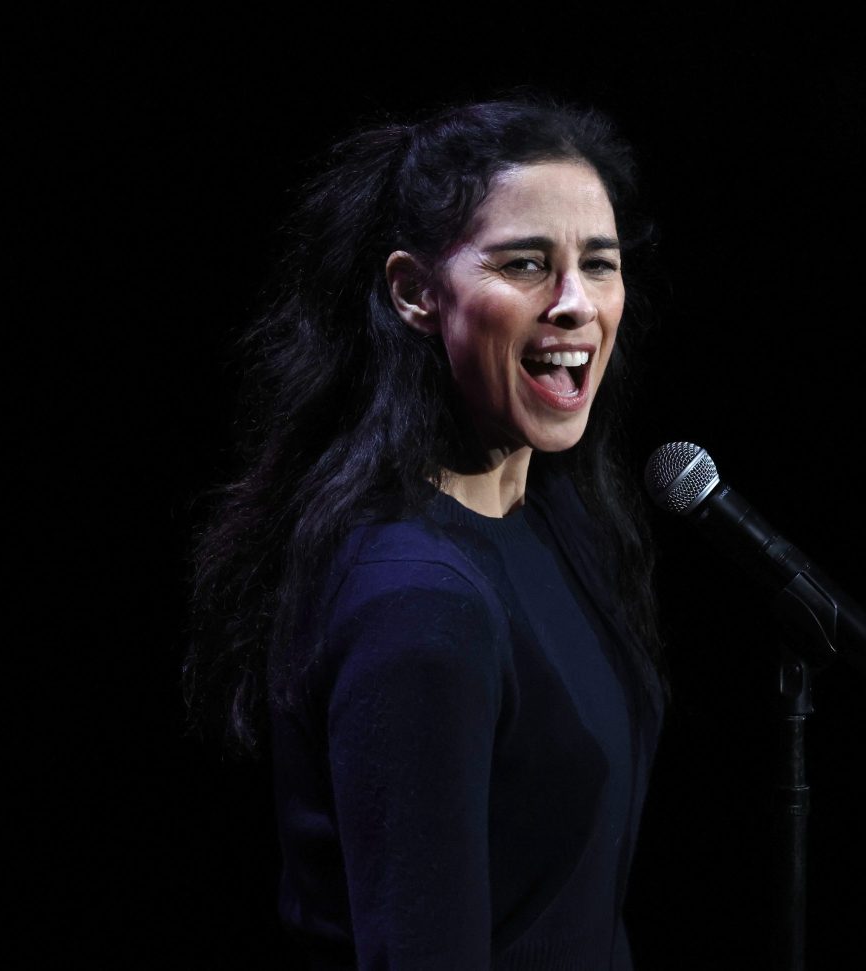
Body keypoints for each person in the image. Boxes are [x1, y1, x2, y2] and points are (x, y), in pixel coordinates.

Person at [185, 99, 666, 969]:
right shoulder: (419, 602)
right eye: (526, 264)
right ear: (414, 292)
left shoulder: (552, 515)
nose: (575, 304)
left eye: (600, 265)